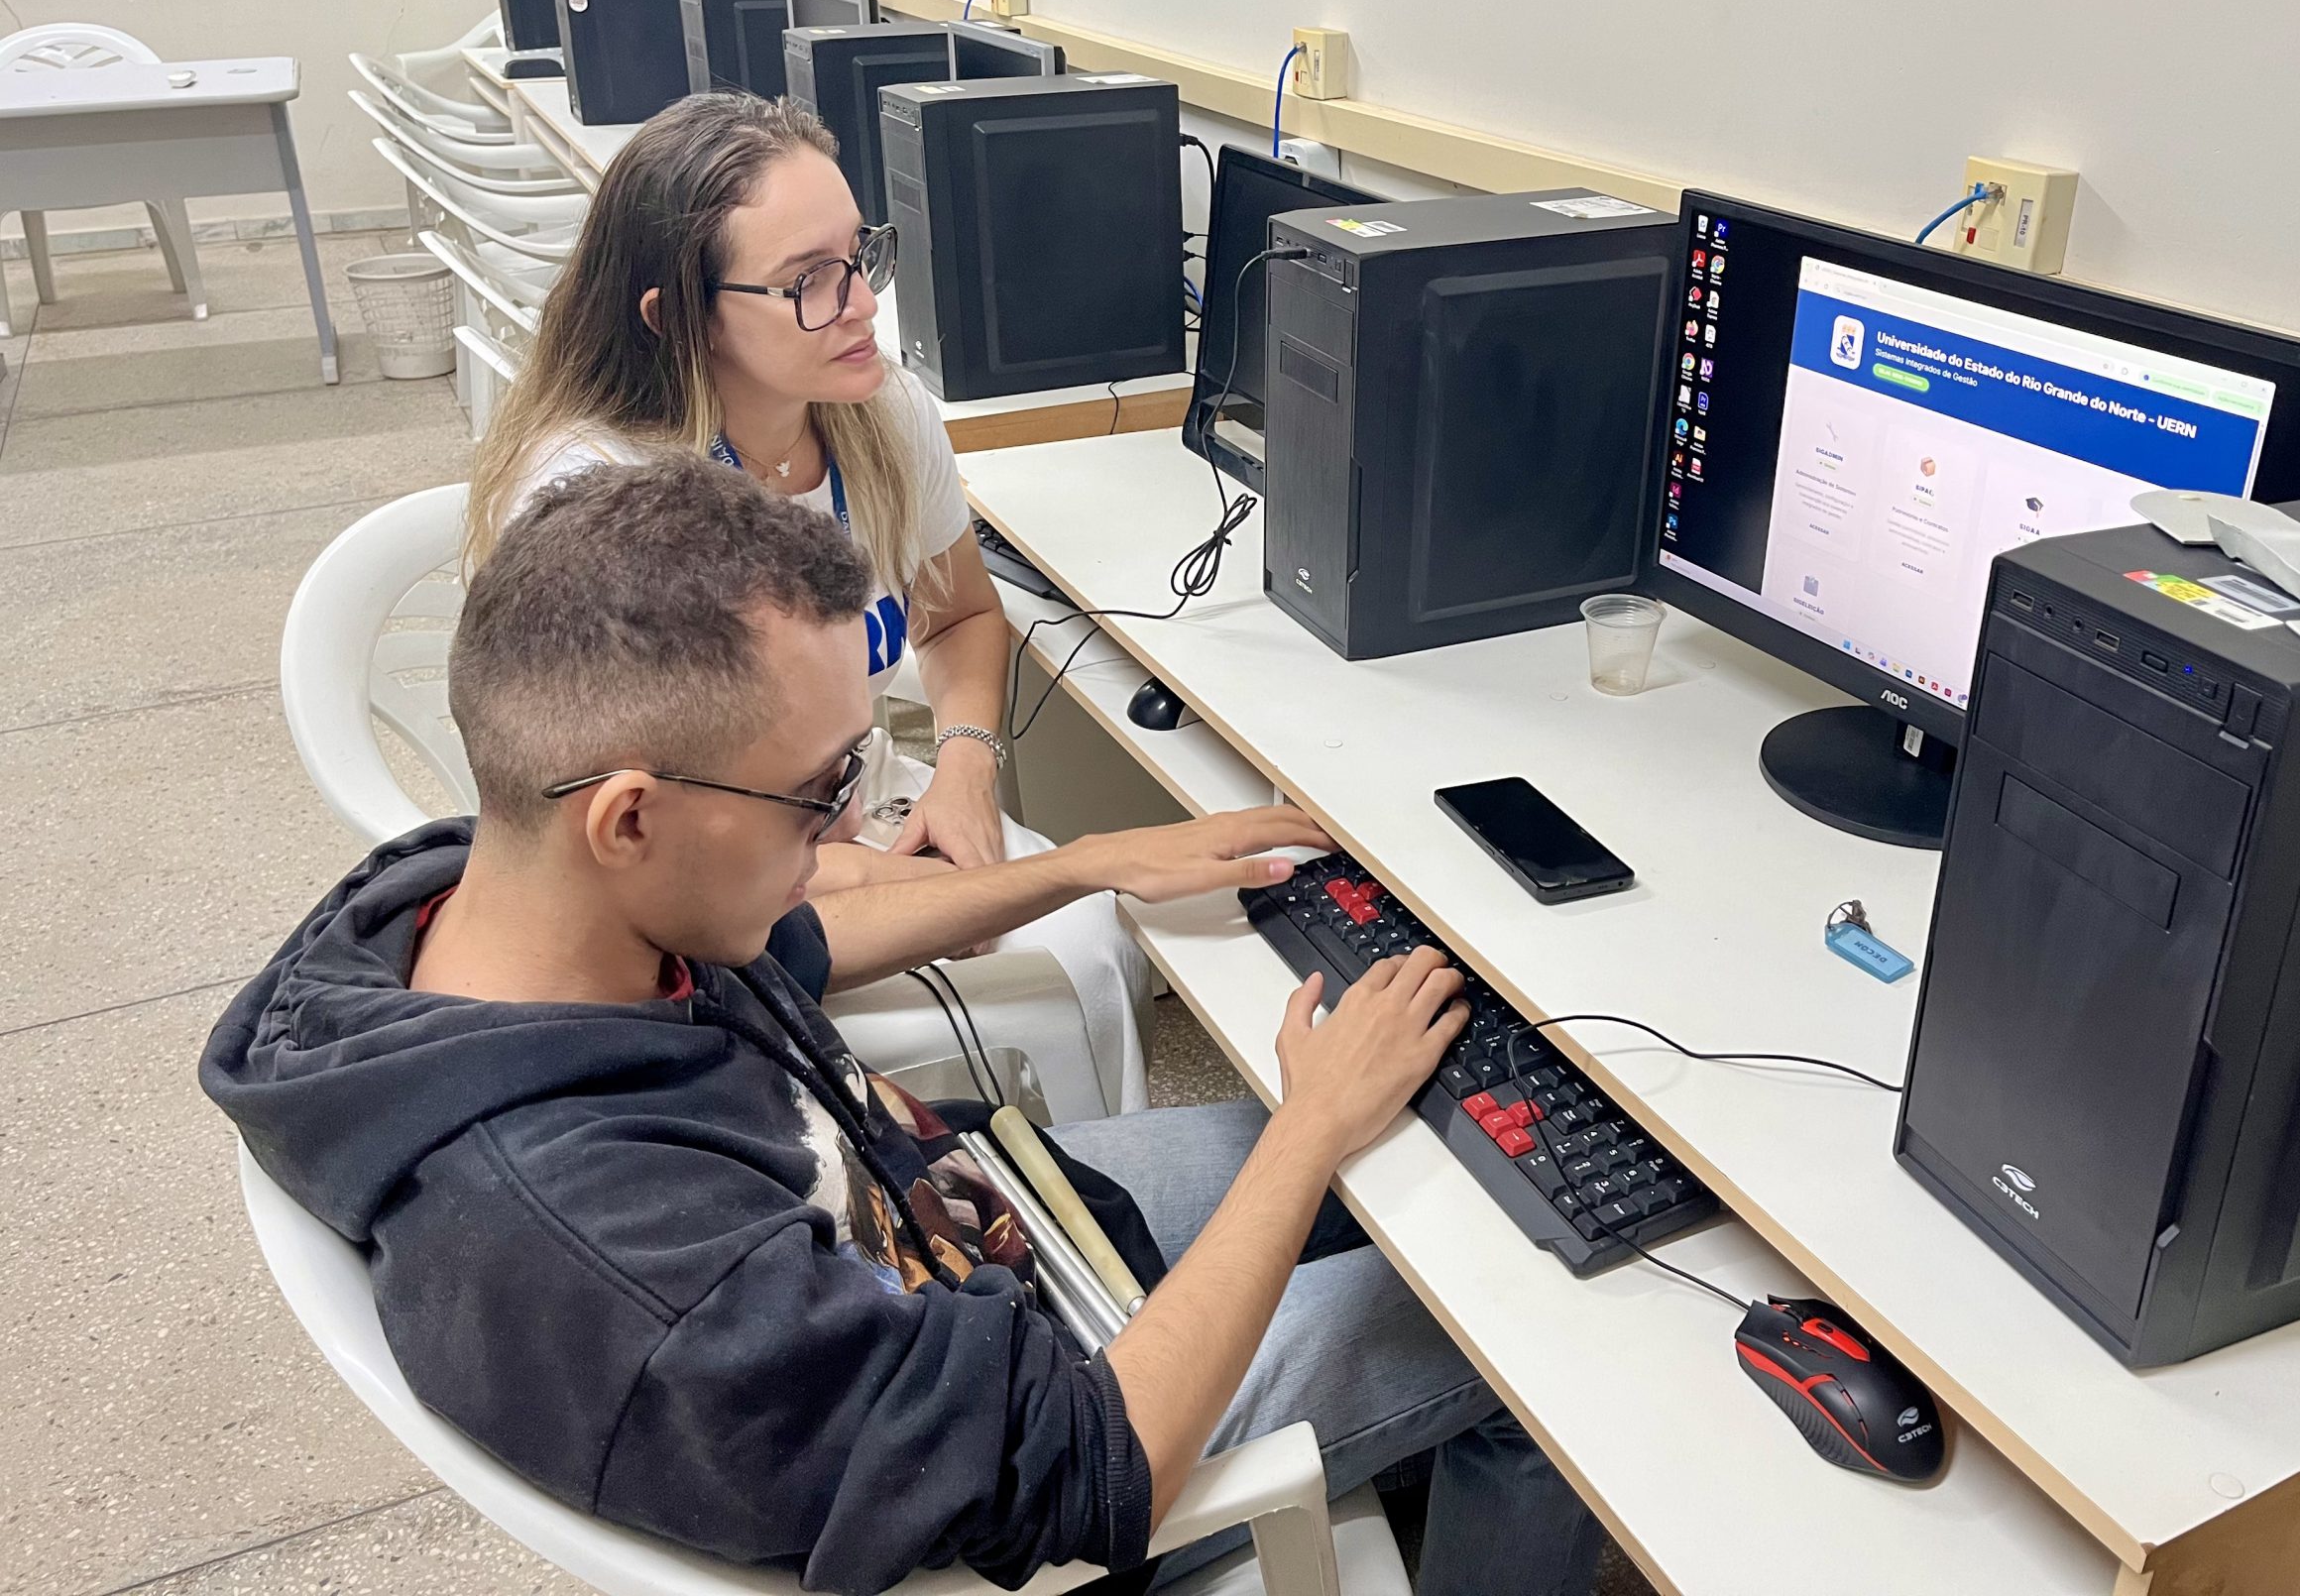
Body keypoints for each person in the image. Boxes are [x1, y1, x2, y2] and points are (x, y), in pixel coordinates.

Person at [204, 456, 1609, 1596]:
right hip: (1064, 1434)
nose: (844, 835)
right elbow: (1084, 1467)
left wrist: (1082, 866)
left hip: (981, 1233)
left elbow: (798, 943)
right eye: (819, 793)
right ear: (629, 817)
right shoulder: (616, 1255)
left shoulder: (495, 903)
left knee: (1439, 1155)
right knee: (1546, 1332)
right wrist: (1308, 1132)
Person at [464, 91, 1155, 1108]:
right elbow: (626, 844)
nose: (863, 305)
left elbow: (961, 615)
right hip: (692, 883)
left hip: (846, 800)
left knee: (1095, 928)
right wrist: (898, 882)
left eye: (858, 255)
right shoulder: (604, 500)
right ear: (676, 317)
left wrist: (966, 768)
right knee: (1073, 926)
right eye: (808, 283)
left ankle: (1087, 1167)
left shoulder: (876, 410)